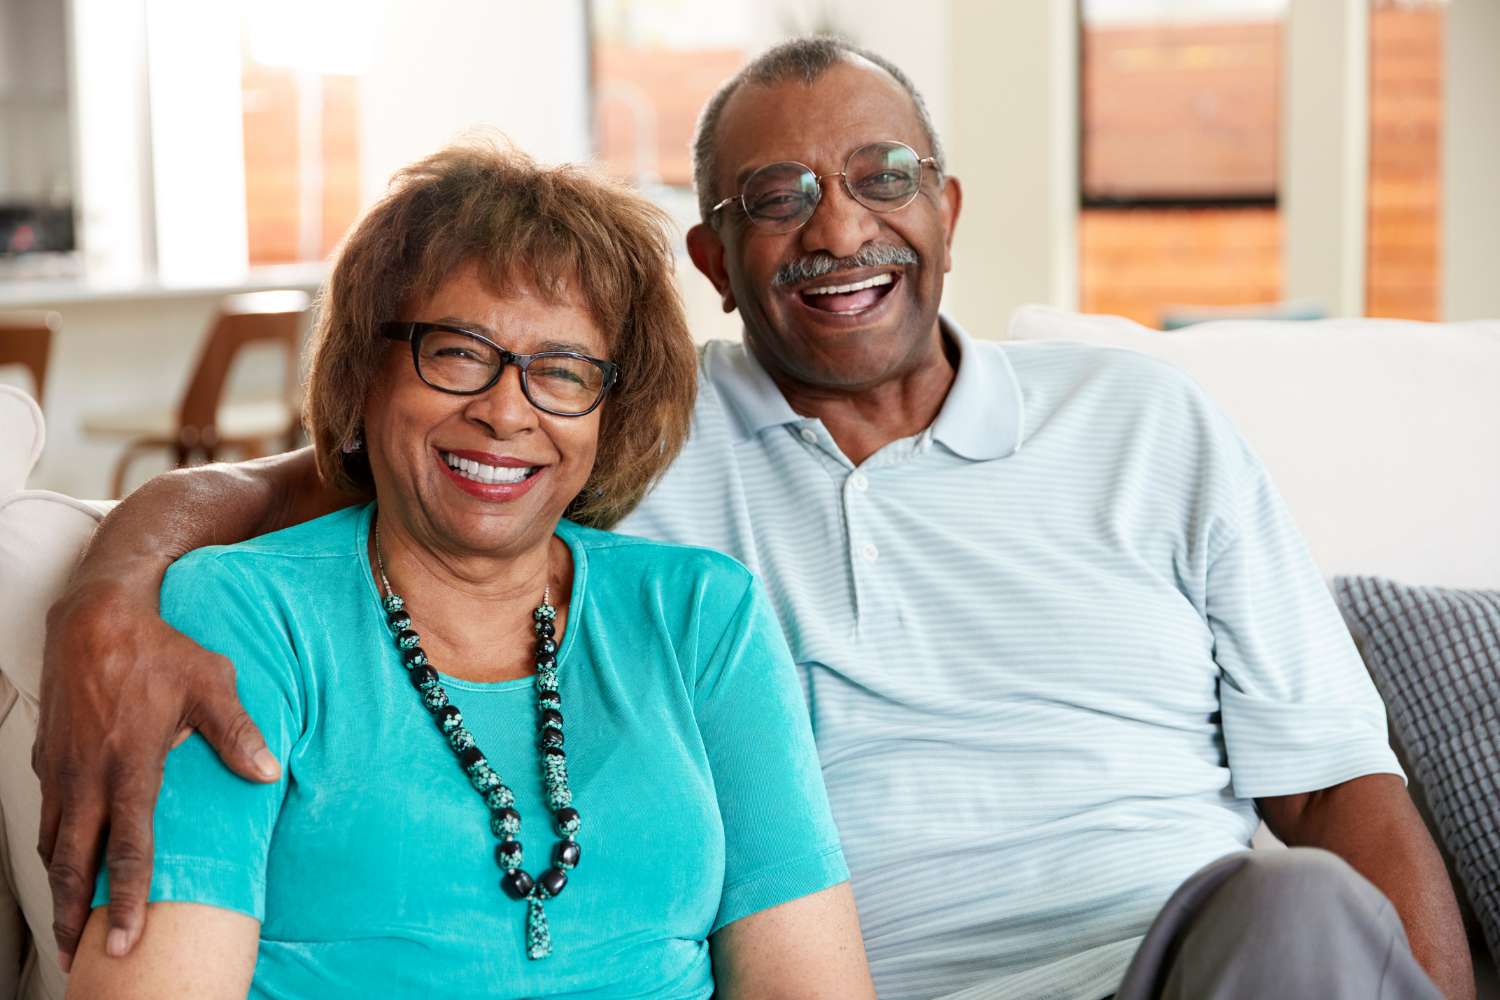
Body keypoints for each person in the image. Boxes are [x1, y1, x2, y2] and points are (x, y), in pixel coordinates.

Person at [39, 37, 1471, 1000]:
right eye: (779, 198)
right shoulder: (633, 436)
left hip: (1178, 958)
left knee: (1302, 912)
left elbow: (1342, 783)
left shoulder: (1142, 420)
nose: (841, 229)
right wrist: (109, 597)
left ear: (950, 209)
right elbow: (324, 482)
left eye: (880, 178)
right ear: (718, 260)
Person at [58, 139, 875, 1000]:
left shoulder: (703, 616)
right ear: (366, 370)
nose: (505, 411)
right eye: (456, 352)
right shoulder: (244, 613)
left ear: (611, 411)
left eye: (562, 371)